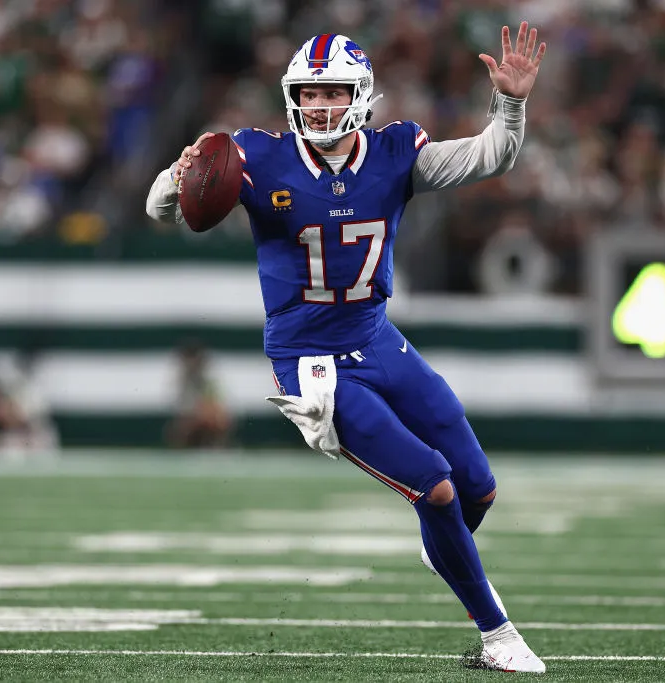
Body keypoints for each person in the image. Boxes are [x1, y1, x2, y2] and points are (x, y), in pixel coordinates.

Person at [146, 24, 546, 673]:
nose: (320, 107)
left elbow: (489, 155)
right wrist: (180, 176)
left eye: (333, 93)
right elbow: (161, 205)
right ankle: (497, 634)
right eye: (310, 94)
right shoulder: (254, 156)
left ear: (360, 96)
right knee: (437, 488)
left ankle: (442, 547)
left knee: (477, 488)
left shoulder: (394, 152)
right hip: (310, 361)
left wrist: (511, 103)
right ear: (292, 98)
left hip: (375, 336)